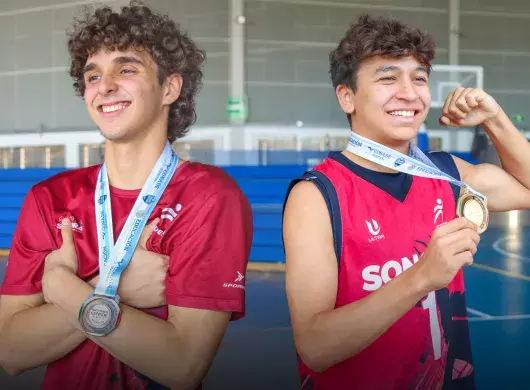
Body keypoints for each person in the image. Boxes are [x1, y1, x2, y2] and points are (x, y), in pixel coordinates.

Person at [0, 2, 253, 389]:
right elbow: (12, 351)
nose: (105, 86)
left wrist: (66, 288)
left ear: (170, 87)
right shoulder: (49, 199)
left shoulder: (210, 198)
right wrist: (116, 286)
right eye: (93, 75)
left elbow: (181, 366)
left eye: (127, 69)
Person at [282, 14, 530, 390]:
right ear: (347, 96)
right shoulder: (316, 195)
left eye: (418, 78)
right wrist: (420, 278)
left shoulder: (446, 174)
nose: (409, 92)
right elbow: (315, 346)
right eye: (387, 77)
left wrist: (494, 118)